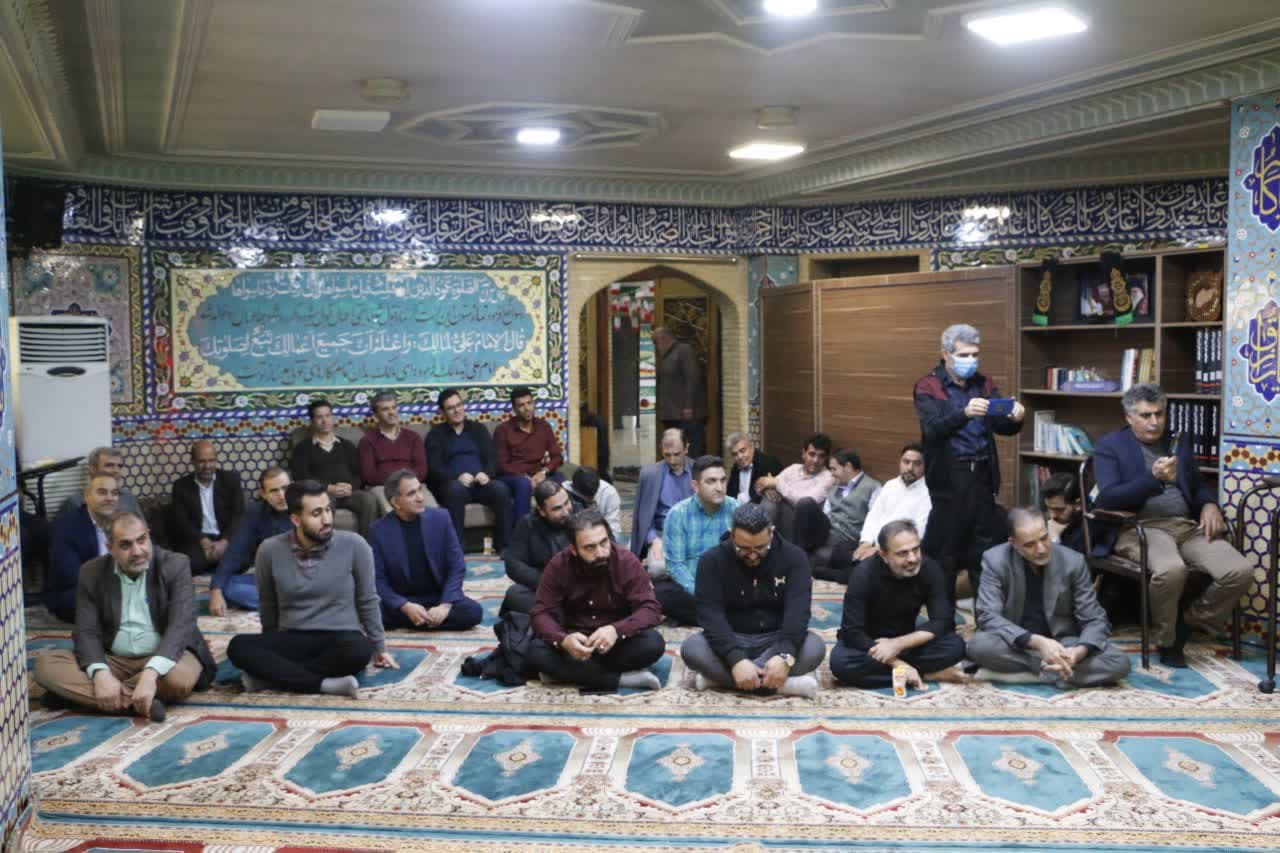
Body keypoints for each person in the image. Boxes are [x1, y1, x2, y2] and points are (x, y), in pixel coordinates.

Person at [1093, 383, 1253, 667]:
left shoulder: (1177, 441)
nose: (1154, 422)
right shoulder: (1110, 446)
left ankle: (1188, 622)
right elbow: (1108, 497)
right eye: (1145, 415)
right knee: (1171, 570)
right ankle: (1167, 641)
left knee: (1239, 571)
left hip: (1185, 526)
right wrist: (1152, 479)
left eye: (1159, 414)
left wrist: (1209, 504)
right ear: (1129, 417)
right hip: (1139, 528)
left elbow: (1196, 485)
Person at [33, 512, 217, 722]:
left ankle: (83, 696)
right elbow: (87, 630)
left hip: (168, 655)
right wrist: (101, 674)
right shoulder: (91, 572)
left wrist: (150, 674)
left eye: (141, 540)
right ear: (110, 548)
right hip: (114, 659)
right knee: (46, 666)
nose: (137, 551)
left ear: (149, 536)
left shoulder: (175, 565)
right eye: (125, 545)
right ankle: (135, 702)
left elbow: (180, 626)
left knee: (179, 680)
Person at [226, 480, 397, 696]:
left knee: (360, 651)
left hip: (340, 638)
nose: (327, 519)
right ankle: (323, 684)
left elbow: (368, 599)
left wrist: (380, 647)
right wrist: (271, 645)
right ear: (296, 519)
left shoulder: (355, 545)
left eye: (328, 510)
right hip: (293, 637)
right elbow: (268, 602)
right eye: (316, 513)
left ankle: (270, 677)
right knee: (238, 646)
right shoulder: (269, 550)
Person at [914, 323, 1025, 599]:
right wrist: (964, 413)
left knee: (984, 552)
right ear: (945, 354)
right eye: (963, 355)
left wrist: (1016, 418)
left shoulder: (984, 383)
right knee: (947, 553)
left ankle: (986, 614)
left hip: (983, 475)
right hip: (950, 478)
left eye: (975, 354)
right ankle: (943, 616)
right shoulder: (928, 386)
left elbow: (1002, 426)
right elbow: (932, 429)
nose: (971, 360)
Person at [968, 508, 1130, 687]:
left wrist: (1079, 652)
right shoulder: (995, 560)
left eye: (1044, 538)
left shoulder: (1073, 562)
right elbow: (988, 615)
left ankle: (1029, 675)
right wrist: (1037, 642)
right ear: (1013, 544)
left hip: (1063, 644)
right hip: (1018, 642)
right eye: (1029, 544)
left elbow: (1095, 619)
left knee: (1119, 662)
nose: (1041, 549)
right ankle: (1059, 674)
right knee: (978, 645)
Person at [680, 503, 826, 698]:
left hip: (776, 638)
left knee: (815, 647)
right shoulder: (711, 560)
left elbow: (798, 613)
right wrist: (736, 659)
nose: (752, 554)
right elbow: (711, 615)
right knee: (692, 648)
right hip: (731, 637)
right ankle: (782, 685)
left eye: (760, 547)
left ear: (771, 533)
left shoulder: (794, 558)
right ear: (732, 535)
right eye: (743, 548)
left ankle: (722, 681)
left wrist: (784, 656)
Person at [528, 509, 665, 692]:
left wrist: (616, 630)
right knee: (536, 651)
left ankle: (568, 673)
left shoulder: (626, 561)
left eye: (604, 542)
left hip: (616, 644)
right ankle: (621, 679)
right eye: (590, 548)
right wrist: (564, 640)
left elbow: (650, 609)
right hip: (575, 645)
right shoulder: (558, 565)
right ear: (574, 549)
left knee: (653, 643)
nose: (600, 553)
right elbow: (540, 613)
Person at [829, 520, 966, 689]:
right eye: (902, 553)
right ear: (884, 555)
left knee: (956, 646)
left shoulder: (929, 568)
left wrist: (897, 644)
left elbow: (941, 620)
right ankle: (925, 674)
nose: (913, 558)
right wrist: (897, 663)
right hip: (868, 644)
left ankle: (897, 673)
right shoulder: (863, 574)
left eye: (916, 549)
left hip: (907, 641)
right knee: (841, 664)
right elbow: (852, 631)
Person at [370, 469, 483, 632]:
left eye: (419, 490)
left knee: (473, 612)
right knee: (374, 613)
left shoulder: (441, 518)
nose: (420, 498)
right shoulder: (378, 530)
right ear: (395, 502)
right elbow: (378, 579)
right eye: (411, 494)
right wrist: (404, 606)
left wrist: (445, 605)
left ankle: (419, 621)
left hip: (438, 596)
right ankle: (425, 619)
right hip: (404, 599)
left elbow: (456, 566)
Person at [425, 388, 513, 550]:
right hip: (454, 486)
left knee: (500, 489)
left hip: (480, 484)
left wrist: (486, 473)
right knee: (454, 490)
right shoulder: (436, 434)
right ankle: (456, 548)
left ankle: (505, 546)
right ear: (442, 412)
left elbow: (492, 458)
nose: (457, 410)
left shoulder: (478, 429)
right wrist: (456, 477)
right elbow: (434, 468)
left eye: (459, 405)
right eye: (451, 408)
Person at [656, 455, 737, 626]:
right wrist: (701, 593)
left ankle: (709, 615)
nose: (720, 488)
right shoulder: (678, 514)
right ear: (695, 485)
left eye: (723, 480)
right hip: (693, 586)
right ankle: (721, 616)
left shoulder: (735, 509)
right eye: (711, 481)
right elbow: (676, 566)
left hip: (727, 585)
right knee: (661, 594)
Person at [209, 467, 294, 615]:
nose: (281, 496)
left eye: (285, 488)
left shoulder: (305, 506)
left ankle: (286, 602)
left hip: (304, 577)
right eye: (274, 491)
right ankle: (289, 603)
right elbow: (235, 551)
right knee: (227, 586)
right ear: (263, 494)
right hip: (272, 578)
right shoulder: (255, 512)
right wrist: (216, 590)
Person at [290, 399, 379, 536]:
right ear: (312, 421)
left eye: (328, 416)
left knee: (368, 500)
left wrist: (350, 486)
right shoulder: (303, 448)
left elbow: (358, 474)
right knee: (324, 505)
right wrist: (328, 488)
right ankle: (326, 543)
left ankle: (366, 544)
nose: (325, 420)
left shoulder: (347, 445)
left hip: (348, 493)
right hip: (322, 494)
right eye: (319, 417)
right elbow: (301, 477)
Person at [790, 448, 881, 582]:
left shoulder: (873, 487)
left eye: (834, 469)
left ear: (848, 467)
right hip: (827, 533)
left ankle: (807, 565)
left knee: (821, 559)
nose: (831, 473)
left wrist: (867, 545)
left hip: (847, 541)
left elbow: (876, 519)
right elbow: (826, 515)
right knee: (805, 503)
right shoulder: (834, 485)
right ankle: (797, 556)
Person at [46, 474, 120, 622]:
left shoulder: (122, 521)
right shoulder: (66, 526)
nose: (110, 498)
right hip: (77, 591)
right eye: (102, 492)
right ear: (86, 497)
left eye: (114, 493)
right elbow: (72, 574)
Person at [170, 440, 245, 575]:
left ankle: (215, 562)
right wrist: (203, 541)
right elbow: (181, 521)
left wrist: (224, 542)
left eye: (211, 460)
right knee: (187, 563)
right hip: (198, 541)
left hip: (225, 536)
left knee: (243, 558)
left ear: (216, 460)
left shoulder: (231, 480)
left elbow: (239, 515)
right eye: (201, 461)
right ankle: (219, 563)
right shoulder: (181, 486)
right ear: (193, 462)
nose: (207, 466)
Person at [501, 480, 575, 616]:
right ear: (541, 511)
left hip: (581, 587)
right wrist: (546, 580)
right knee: (515, 594)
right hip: (548, 587)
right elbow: (513, 563)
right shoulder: (528, 524)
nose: (566, 512)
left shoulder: (583, 516)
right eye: (557, 508)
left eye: (567, 503)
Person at [850, 442, 932, 563]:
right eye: (906, 462)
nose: (910, 468)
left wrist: (880, 550)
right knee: (842, 549)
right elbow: (874, 515)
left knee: (864, 564)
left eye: (917, 463)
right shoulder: (890, 485)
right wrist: (865, 542)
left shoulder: (928, 492)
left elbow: (918, 531)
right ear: (900, 462)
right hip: (874, 544)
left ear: (925, 466)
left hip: (897, 551)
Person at [494, 386, 565, 524]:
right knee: (523, 484)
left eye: (529, 403)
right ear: (514, 409)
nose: (527, 408)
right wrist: (524, 476)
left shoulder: (544, 426)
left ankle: (563, 527)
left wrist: (544, 472)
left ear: (533, 404)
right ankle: (522, 530)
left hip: (538, 474)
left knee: (561, 480)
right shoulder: (503, 430)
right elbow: (501, 464)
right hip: (514, 476)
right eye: (521, 405)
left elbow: (557, 457)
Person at [629, 428, 693, 575]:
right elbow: (643, 517)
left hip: (693, 534)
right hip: (661, 535)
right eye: (667, 455)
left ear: (686, 448)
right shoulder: (649, 475)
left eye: (677, 454)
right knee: (658, 568)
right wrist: (653, 540)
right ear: (661, 450)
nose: (672, 460)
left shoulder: (698, 471)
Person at [358, 391, 429, 512]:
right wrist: (397, 482)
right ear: (376, 415)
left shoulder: (413, 438)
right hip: (383, 487)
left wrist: (406, 483)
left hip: (413, 484)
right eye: (385, 409)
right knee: (392, 512)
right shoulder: (367, 441)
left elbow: (422, 470)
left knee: (432, 511)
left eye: (394, 407)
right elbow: (368, 475)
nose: (391, 412)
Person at [757, 433, 835, 541]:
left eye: (821, 456)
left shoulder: (828, 478)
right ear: (803, 453)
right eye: (812, 454)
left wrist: (776, 484)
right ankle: (761, 541)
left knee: (773, 500)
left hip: (804, 527)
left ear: (826, 458)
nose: (816, 460)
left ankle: (762, 540)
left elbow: (804, 503)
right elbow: (763, 484)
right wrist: (768, 489)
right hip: (780, 520)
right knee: (770, 499)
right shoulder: (793, 468)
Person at [653, 326, 707, 456]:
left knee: (691, 449)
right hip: (672, 414)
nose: (656, 347)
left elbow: (692, 378)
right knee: (675, 449)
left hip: (685, 414)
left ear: (664, 339)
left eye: (656, 342)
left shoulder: (684, 350)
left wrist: (688, 406)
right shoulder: (666, 356)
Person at [57, 446, 141, 518]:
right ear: (92, 469)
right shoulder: (76, 502)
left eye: (119, 466)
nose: (116, 470)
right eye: (109, 465)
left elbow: (143, 528)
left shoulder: (127, 496)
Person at [726, 433, 782, 505]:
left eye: (742, 451)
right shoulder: (735, 468)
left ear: (751, 448)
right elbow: (730, 494)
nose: (739, 457)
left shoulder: (768, 463)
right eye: (735, 454)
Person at [568, 466, 621, 540]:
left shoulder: (610, 494)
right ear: (574, 488)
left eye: (592, 496)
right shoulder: (565, 491)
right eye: (586, 497)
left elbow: (613, 527)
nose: (590, 500)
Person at [1041, 472, 1086, 554]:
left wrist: (1054, 538)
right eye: (1048, 508)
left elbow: (1070, 560)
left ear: (1078, 504)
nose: (1052, 515)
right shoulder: (1045, 520)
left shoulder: (1087, 528)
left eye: (1059, 509)